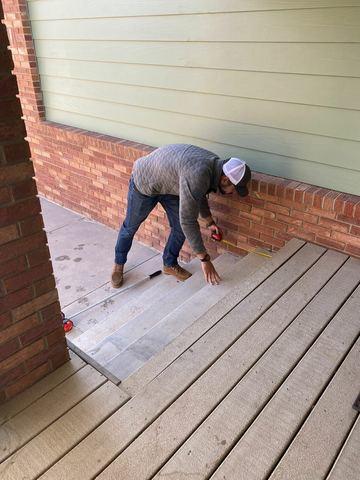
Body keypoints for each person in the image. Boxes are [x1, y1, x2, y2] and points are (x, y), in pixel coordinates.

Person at [111, 144, 251, 287]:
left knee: (179, 226)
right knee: (130, 227)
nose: (232, 192)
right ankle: (118, 264)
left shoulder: (214, 166)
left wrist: (209, 222)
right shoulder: (199, 173)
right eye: (234, 188)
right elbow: (188, 220)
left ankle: (169, 264)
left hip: (169, 184)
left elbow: (198, 192)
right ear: (225, 180)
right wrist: (204, 259)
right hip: (145, 182)